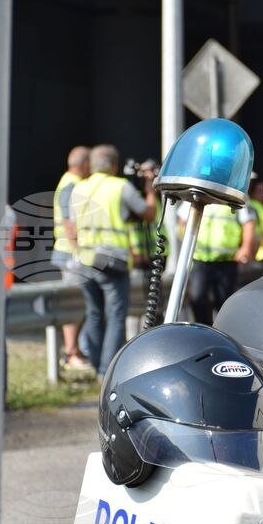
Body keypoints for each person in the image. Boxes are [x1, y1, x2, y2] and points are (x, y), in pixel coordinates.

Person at [70, 145, 157, 377]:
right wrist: (150, 188)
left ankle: (95, 363)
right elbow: (148, 213)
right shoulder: (120, 187)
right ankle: (106, 371)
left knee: (95, 313)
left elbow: (72, 227)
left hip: (84, 260)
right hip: (112, 261)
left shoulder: (79, 188)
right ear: (114, 165)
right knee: (117, 315)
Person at [181, 200, 256, 324]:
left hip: (227, 260)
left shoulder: (236, 193)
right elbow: (183, 221)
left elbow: (249, 223)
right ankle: (204, 330)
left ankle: (223, 333)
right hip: (201, 260)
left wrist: (246, 248)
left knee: (224, 302)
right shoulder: (200, 191)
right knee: (197, 297)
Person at [51, 146, 90, 369]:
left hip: (69, 254)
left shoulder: (69, 183)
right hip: (70, 255)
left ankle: (75, 350)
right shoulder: (71, 186)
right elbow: (69, 222)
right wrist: (78, 251)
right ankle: (70, 352)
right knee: (73, 304)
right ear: (84, 165)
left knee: (79, 304)